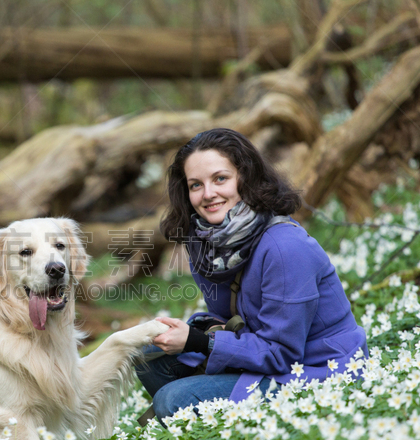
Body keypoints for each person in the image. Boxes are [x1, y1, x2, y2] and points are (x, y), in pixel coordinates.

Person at [137, 128, 368, 421]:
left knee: (171, 400)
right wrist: (192, 334)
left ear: (245, 177)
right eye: (196, 185)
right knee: (146, 351)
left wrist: (198, 342)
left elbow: (282, 354)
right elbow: (229, 319)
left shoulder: (285, 248)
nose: (208, 194)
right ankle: (204, 425)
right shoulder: (207, 244)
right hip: (265, 359)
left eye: (220, 179)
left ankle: (214, 432)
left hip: (318, 373)